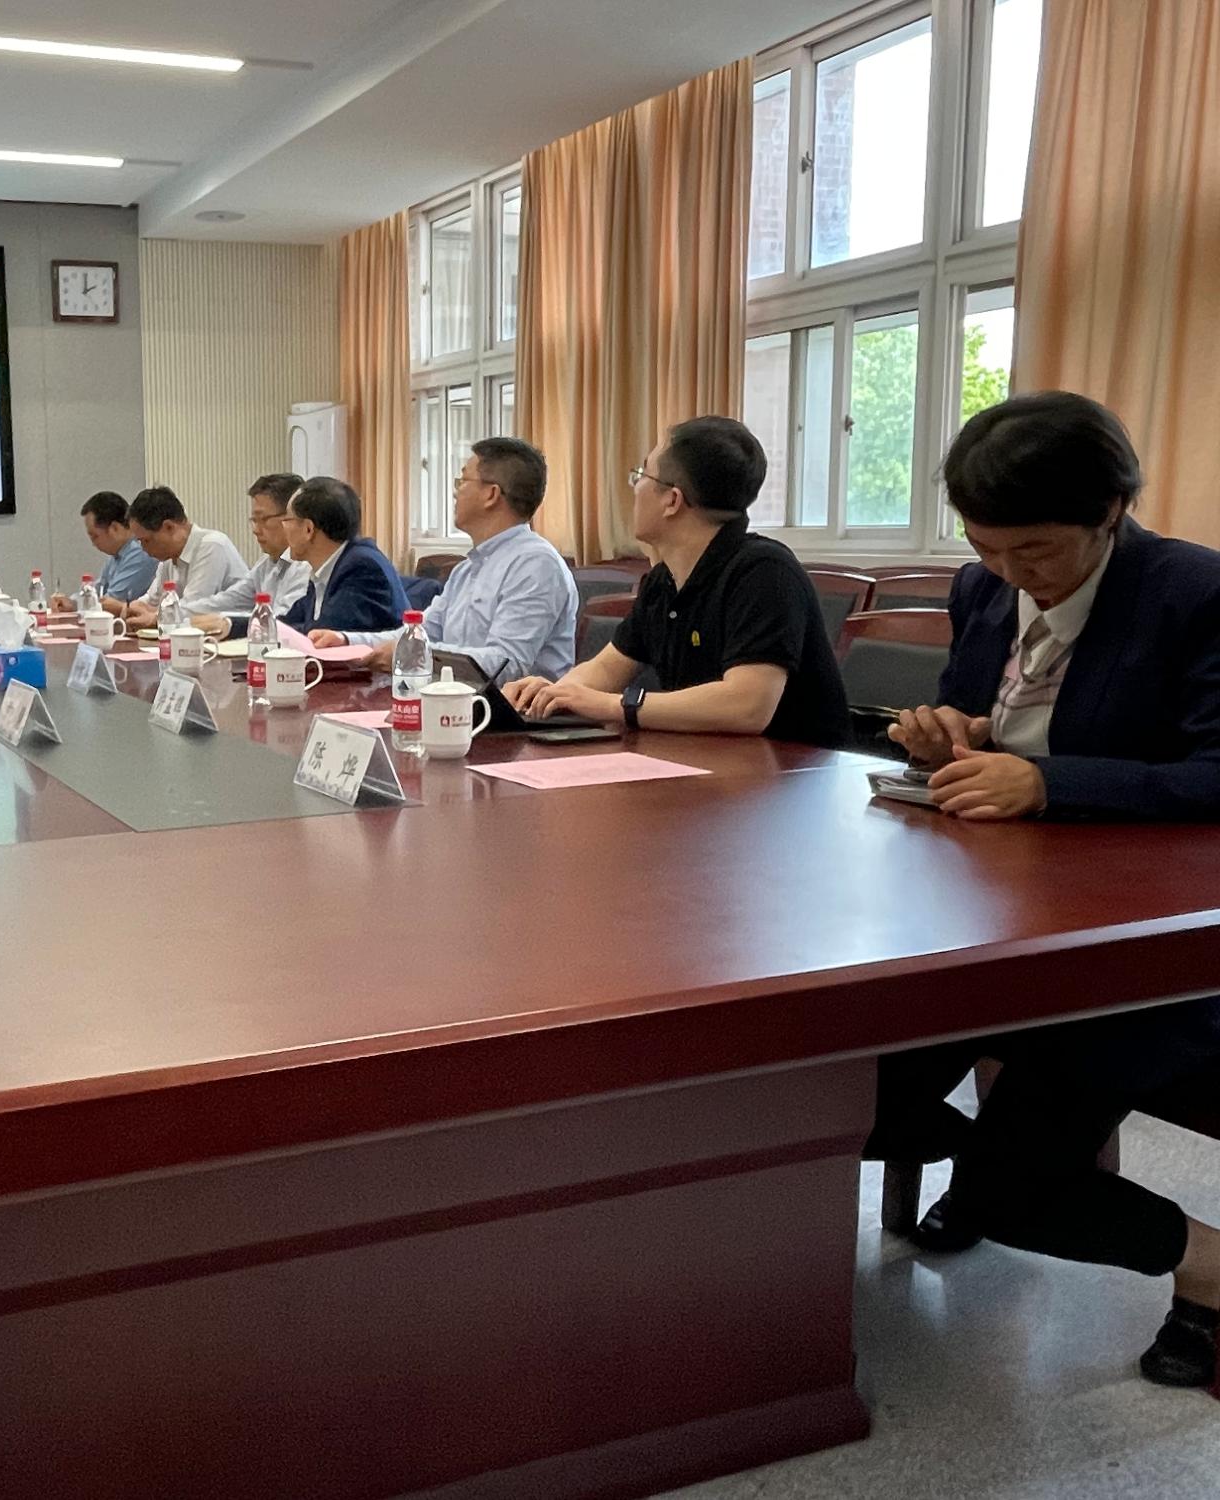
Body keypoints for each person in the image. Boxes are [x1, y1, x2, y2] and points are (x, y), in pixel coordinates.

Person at [863, 392, 1220, 1387]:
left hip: (1144, 947)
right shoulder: (983, 590)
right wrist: (947, 735)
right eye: (986, 548)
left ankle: (1207, 1270)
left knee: (1014, 1195)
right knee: (833, 1097)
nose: (1009, 572)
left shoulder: (1193, 594)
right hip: (992, 919)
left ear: (1110, 510)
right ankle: (1005, 1165)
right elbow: (978, 712)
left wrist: (1048, 782)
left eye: (1034, 551)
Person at [502, 417, 848, 746]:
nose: (635, 487)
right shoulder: (663, 580)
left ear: (672, 500)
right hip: (707, 763)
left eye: (641, 475)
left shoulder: (764, 572)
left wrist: (612, 706)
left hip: (794, 773)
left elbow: (747, 706)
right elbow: (608, 667)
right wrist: (554, 694)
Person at [309, 438, 576, 685]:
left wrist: (414, 654)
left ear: (491, 494)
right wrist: (346, 641)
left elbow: (505, 665)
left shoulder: (535, 565)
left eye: (462, 481)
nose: (455, 492)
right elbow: (422, 633)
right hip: (453, 703)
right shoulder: (467, 569)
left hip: (513, 714)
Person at [223, 476, 406, 638]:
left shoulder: (361, 567)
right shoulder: (324, 569)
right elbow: (288, 622)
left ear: (308, 529)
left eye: (287, 520)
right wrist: (230, 626)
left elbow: (321, 633)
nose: (284, 529)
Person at [184, 473, 311, 633]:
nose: (255, 530)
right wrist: (172, 613)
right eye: (254, 520)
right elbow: (228, 600)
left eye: (263, 519)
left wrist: (228, 623)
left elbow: (283, 622)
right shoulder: (266, 564)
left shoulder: (305, 565)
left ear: (290, 517)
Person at [120, 487, 250, 628]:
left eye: (146, 540)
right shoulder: (168, 558)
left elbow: (193, 607)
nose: (143, 548)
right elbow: (153, 600)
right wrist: (137, 606)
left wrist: (155, 615)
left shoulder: (212, 546)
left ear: (169, 527)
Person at [51, 491, 155, 612]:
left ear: (115, 528)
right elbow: (98, 590)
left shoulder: (140, 553)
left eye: (95, 536)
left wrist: (77, 604)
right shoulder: (117, 555)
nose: (93, 543)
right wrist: (72, 603)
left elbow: (110, 602)